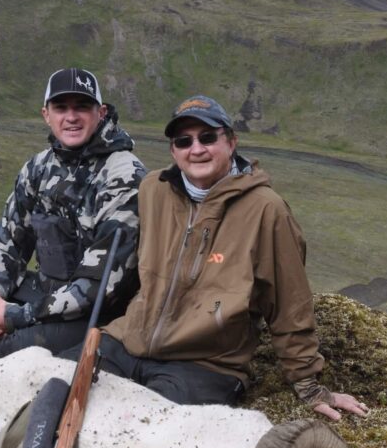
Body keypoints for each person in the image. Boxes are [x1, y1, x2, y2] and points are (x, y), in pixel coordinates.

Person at [86, 94, 369, 421]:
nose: (196, 149)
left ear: (231, 143)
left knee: (138, 427)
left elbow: (289, 302)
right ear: (173, 150)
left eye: (208, 137)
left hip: (204, 364)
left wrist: (307, 384)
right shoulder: (154, 189)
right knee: (52, 387)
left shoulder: (267, 210)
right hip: (127, 344)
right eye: (184, 141)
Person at [0, 68, 145, 387]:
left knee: (14, 344)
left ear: (101, 113)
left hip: (94, 313)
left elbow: (100, 287)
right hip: (45, 291)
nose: (71, 117)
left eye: (82, 107)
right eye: (61, 107)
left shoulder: (123, 176)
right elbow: (5, 246)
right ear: (46, 115)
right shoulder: (37, 169)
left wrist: (16, 317)